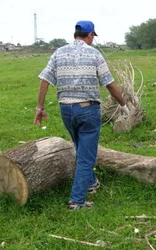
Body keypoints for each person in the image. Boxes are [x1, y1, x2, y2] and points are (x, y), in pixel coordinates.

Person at [33, 20, 130, 210]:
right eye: (93, 36)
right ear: (90, 35)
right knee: (87, 157)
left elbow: (45, 79)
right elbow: (109, 83)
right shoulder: (94, 54)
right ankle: (77, 200)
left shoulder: (59, 52)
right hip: (88, 110)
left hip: (66, 110)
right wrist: (123, 105)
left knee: (81, 147)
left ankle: (91, 182)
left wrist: (40, 107)